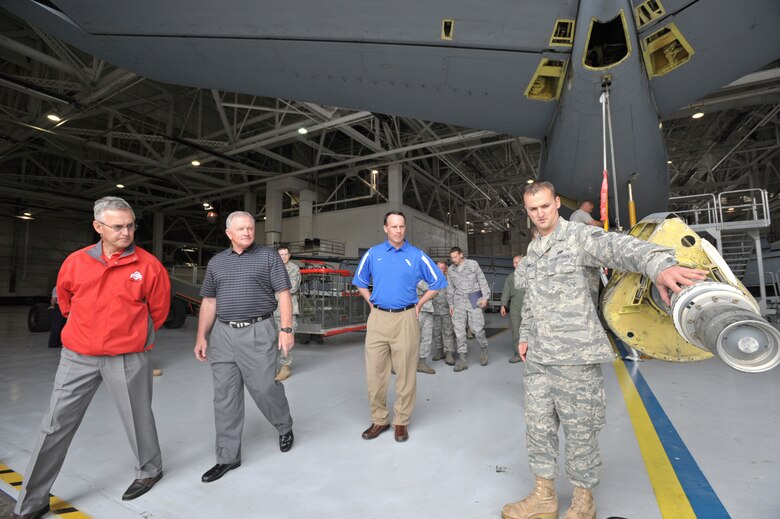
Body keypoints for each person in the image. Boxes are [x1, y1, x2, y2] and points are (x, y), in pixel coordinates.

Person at [501, 181, 707, 519]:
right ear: (527, 212)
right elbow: (531, 301)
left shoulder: (579, 238)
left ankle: (584, 501)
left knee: (581, 430)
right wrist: (524, 334)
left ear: (556, 203)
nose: (540, 214)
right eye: (532, 209)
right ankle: (544, 496)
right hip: (538, 358)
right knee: (538, 428)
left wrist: (660, 265)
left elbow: (622, 247)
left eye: (545, 206)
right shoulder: (534, 251)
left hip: (574, 356)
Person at [13, 196, 171, 519]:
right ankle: (31, 502)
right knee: (53, 425)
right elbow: (65, 299)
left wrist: (132, 336)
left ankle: (150, 469)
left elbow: (159, 311)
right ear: (98, 227)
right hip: (78, 357)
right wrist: (85, 331)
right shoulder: (75, 262)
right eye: (117, 227)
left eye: (130, 225)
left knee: (138, 418)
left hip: (127, 357)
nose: (126, 232)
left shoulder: (148, 266)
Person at [194, 211, 295, 484]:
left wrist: (286, 330)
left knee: (264, 388)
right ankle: (228, 456)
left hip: (258, 330)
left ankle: (284, 425)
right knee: (224, 396)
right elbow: (209, 302)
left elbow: (283, 295)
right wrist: (202, 336)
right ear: (228, 233)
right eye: (241, 229)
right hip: (223, 334)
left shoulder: (268, 257)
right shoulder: (216, 263)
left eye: (250, 228)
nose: (247, 232)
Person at [353, 211, 446, 442]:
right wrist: (371, 303)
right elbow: (360, 281)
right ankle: (379, 419)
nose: (398, 230)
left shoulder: (416, 255)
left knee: (405, 373)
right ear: (385, 228)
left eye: (401, 226)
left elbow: (438, 281)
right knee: (375, 373)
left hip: (406, 318)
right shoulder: (373, 254)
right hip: (378, 319)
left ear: (405, 228)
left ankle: (401, 421)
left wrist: (420, 303)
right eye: (393, 226)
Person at [447, 246, 491, 371]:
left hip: (473, 298)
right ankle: (462, 360)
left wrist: (485, 297)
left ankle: (483, 348)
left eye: (455, 257)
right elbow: (450, 288)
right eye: (451, 258)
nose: (453, 260)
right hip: (459, 301)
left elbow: (482, 280)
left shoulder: (472, 264)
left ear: (461, 255)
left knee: (477, 329)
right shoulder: (451, 270)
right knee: (459, 331)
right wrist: (450, 304)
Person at [273, 245, 301, 381]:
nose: (283, 257)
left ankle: (285, 367)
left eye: (286, 254)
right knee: (271, 340)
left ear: (289, 255)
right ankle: (271, 367)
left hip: (288, 310)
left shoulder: (294, 269)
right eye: (281, 254)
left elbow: (292, 287)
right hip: (273, 309)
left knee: (286, 339)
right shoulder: (272, 268)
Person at [500, 255, 525, 364]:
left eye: (516, 262)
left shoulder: (530, 275)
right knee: (516, 331)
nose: (514, 265)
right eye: (513, 263)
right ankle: (518, 354)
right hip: (515, 306)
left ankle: (533, 354)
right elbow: (506, 291)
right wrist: (503, 305)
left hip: (529, 306)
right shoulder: (511, 277)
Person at [431, 261, 456, 365]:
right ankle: (439, 351)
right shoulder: (430, 281)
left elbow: (453, 295)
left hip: (446, 311)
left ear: (444, 269)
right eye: (438, 268)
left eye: (442, 268)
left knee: (448, 332)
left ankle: (449, 353)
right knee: (436, 332)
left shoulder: (449, 281)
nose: (439, 270)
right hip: (434, 311)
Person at [415, 279, 436, 374]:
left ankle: (422, 363)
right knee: (410, 338)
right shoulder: (414, 271)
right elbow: (425, 286)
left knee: (427, 337)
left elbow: (434, 291)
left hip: (428, 308)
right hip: (415, 310)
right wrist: (435, 287)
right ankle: (398, 364)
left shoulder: (428, 275)